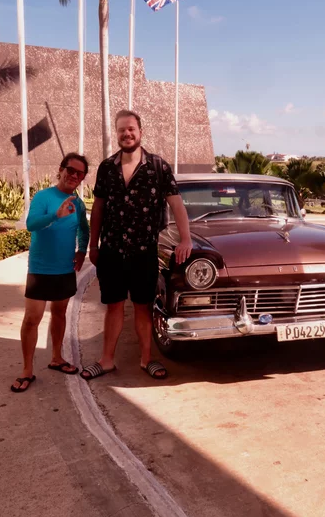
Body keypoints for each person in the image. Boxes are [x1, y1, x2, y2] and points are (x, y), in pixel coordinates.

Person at [80, 110, 192, 381]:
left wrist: (186, 238)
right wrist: (92, 246)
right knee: (114, 306)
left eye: (131, 129)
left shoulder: (158, 166)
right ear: (116, 134)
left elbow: (176, 203)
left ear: (140, 132)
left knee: (143, 307)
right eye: (121, 130)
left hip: (144, 252)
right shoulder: (107, 168)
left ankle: (146, 359)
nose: (126, 134)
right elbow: (98, 208)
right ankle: (106, 360)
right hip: (111, 251)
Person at [11, 153, 90, 393]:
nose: (74, 175)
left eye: (80, 173)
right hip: (40, 269)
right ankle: (27, 370)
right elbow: (31, 224)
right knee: (32, 319)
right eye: (71, 170)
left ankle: (56, 357)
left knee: (59, 313)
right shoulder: (43, 196)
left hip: (64, 269)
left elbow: (83, 230)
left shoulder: (78, 203)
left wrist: (82, 251)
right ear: (61, 169)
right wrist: (56, 215)